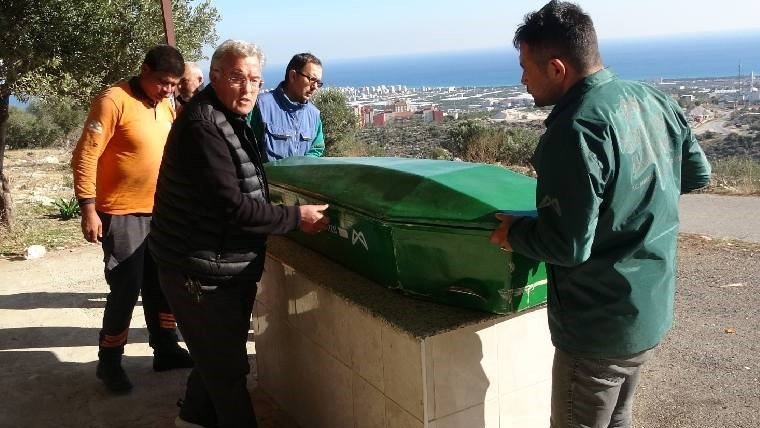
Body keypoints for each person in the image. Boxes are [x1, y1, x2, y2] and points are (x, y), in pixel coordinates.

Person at [488, 2, 711, 427]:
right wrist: (631, 200)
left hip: (597, 325)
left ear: (556, 69)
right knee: (619, 416)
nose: (522, 80)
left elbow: (566, 245)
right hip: (648, 309)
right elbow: (697, 174)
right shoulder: (652, 99)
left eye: (525, 68)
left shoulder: (574, 130)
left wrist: (515, 233)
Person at [149, 39, 329, 428]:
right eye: (236, 78)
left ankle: (191, 419)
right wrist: (296, 217)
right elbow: (233, 207)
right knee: (228, 372)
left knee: (218, 358)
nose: (248, 88)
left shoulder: (225, 116)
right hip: (199, 269)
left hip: (219, 263)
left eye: (254, 80)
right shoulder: (203, 126)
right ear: (214, 77)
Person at [71, 45, 193, 393]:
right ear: (144, 70)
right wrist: (88, 208)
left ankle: (166, 347)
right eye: (162, 82)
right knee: (126, 287)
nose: (168, 89)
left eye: (173, 84)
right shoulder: (114, 100)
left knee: (163, 281)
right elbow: (85, 155)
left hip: (162, 211)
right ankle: (109, 362)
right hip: (121, 212)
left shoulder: (166, 104)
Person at [250, 52, 325, 161]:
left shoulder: (314, 115)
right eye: (312, 80)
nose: (315, 87)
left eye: (318, 82)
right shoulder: (261, 106)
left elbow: (317, 148)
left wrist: (301, 167)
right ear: (293, 76)